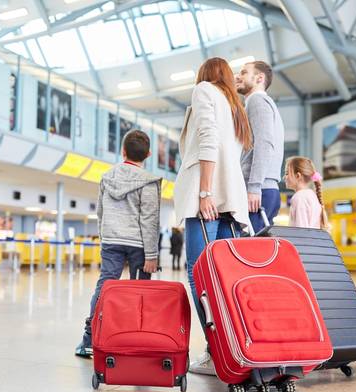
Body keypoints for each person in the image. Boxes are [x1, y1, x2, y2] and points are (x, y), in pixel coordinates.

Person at [174, 57, 252, 375]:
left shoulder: (205, 90)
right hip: (231, 198)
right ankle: (235, 347)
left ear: (205, 75)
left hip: (208, 198)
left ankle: (214, 350)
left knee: (199, 273)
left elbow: (207, 139)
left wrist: (204, 191)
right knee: (225, 276)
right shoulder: (234, 104)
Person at [75, 130, 162, 358]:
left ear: (123, 151)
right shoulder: (149, 182)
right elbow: (150, 220)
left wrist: (105, 240)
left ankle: (88, 340)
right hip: (139, 244)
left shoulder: (107, 177)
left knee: (104, 287)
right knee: (140, 291)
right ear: (149, 154)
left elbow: (100, 212)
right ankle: (137, 339)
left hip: (112, 240)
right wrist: (152, 255)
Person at [235, 61, 284, 232]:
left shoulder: (257, 101)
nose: (237, 76)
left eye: (243, 72)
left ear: (259, 78)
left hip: (259, 191)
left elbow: (264, 143)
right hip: (264, 189)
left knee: (247, 254)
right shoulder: (259, 102)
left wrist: (254, 186)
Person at [283, 156, 328, 229]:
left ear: (298, 176)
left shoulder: (299, 197)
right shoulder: (311, 195)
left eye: (287, 173)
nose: (284, 177)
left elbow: (301, 231)